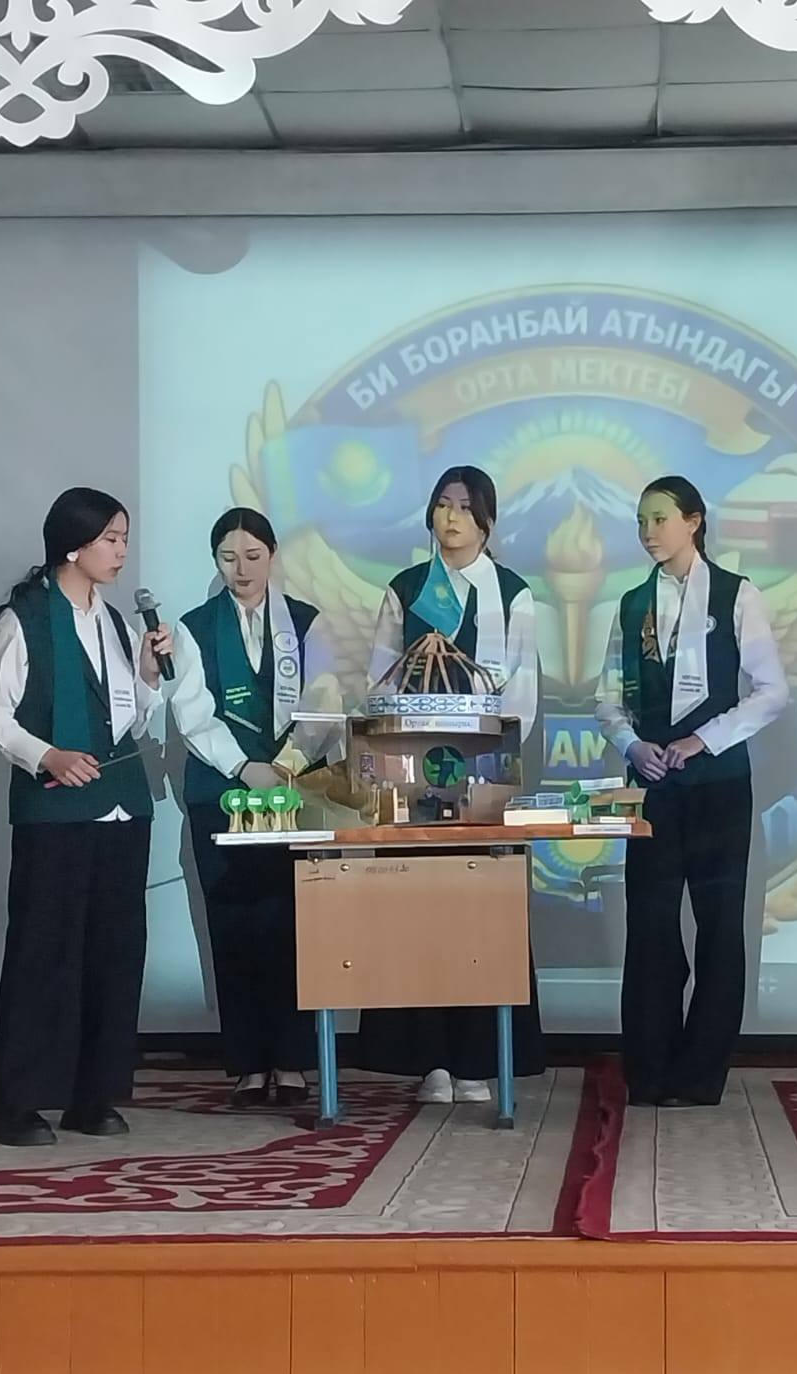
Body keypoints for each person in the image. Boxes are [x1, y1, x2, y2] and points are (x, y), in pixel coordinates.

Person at [0, 488, 171, 1147]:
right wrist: (47, 755)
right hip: (55, 813)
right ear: (73, 545)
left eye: (124, 539)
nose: (121, 551)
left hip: (121, 808)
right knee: (44, 955)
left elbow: (130, 716)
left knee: (114, 952)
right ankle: (18, 1105)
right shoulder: (25, 617)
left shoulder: (114, 622)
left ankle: (93, 1095)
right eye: (111, 539)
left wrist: (148, 674)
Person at [596, 475, 788, 1107]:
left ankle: (702, 1073)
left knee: (719, 928)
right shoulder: (632, 604)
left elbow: (771, 691)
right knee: (651, 926)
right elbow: (607, 698)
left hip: (719, 784)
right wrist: (632, 745)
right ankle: (649, 1070)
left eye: (660, 519)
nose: (648, 532)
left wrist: (706, 738)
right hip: (653, 786)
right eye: (641, 521)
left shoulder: (736, 594)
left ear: (694, 521)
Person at [363, 465, 542, 1104]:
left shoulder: (513, 594)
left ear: (487, 519)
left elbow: (522, 691)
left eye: (465, 507)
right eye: (442, 504)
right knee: (419, 910)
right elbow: (378, 682)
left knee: (480, 913)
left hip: (483, 776)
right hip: (413, 778)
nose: (451, 517)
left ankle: (477, 1059)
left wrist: (483, 754)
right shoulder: (407, 589)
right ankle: (428, 1062)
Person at [170, 507, 340, 1108]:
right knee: (233, 925)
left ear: (271, 556)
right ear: (215, 561)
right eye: (228, 558)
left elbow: (323, 704)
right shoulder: (193, 627)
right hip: (222, 794)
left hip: (295, 793)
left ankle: (292, 1061)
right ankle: (247, 1063)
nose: (240, 569)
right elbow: (192, 713)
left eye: (252, 556)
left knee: (293, 925)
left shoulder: (307, 623)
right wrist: (245, 768)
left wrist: (286, 766)